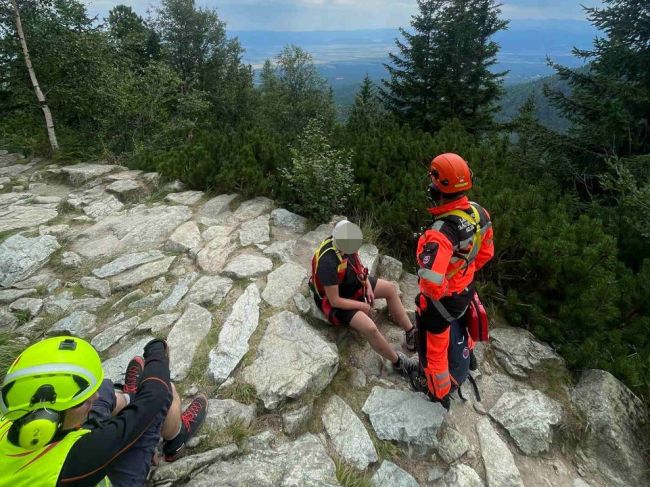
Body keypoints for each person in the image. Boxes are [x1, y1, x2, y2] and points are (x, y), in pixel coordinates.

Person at [0, 336, 207, 486]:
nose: (94, 398)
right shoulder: (75, 458)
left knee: (104, 389)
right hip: (110, 480)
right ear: (46, 418)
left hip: (69, 449)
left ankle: (130, 398)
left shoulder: (12, 420)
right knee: (164, 396)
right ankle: (176, 437)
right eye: (82, 402)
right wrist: (156, 351)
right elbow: (155, 396)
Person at [414, 153, 495, 409]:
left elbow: (430, 284)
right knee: (463, 325)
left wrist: (444, 288)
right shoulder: (479, 213)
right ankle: (467, 358)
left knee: (434, 350)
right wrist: (463, 275)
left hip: (443, 302)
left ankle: (438, 392)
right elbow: (486, 254)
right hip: (467, 288)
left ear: (436, 185)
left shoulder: (440, 234)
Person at [310, 219, 419, 376]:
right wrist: (362, 306)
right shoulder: (328, 263)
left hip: (351, 284)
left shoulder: (345, 245)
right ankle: (398, 363)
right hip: (336, 301)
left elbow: (358, 266)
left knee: (389, 289)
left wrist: (367, 284)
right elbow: (334, 301)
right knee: (370, 328)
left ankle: (410, 332)